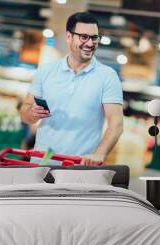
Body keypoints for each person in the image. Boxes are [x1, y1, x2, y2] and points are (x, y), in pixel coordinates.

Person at [19, 12, 123, 166]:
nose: (90, 43)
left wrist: (99, 154)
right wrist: (31, 114)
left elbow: (116, 123)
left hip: (79, 167)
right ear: (69, 37)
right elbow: (24, 113)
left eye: (94, 38)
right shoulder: (46, 71)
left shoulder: (107, 76)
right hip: (42, 163)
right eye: (84, 37)